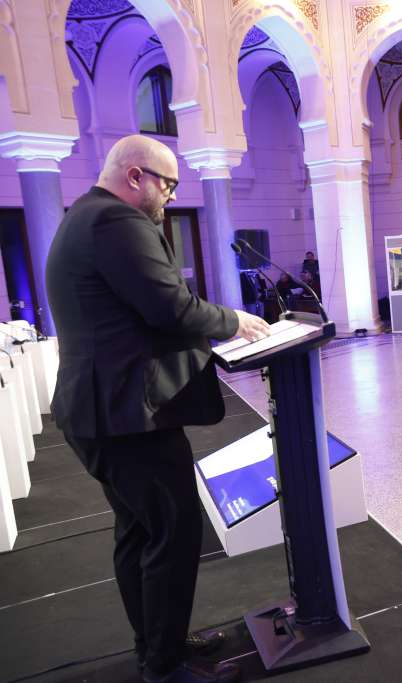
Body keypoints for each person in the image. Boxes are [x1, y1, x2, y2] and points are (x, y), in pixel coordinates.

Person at [45, 135, 271, 683]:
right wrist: (235, 321)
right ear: (135, 176)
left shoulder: (83, 216)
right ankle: (165, 667)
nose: (171, 195)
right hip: (127, 414)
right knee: (174, 530)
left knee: (140, 532)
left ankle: (157, 643)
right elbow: (170, 306)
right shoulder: (117, 222)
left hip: (101, 410)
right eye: (167, 184)